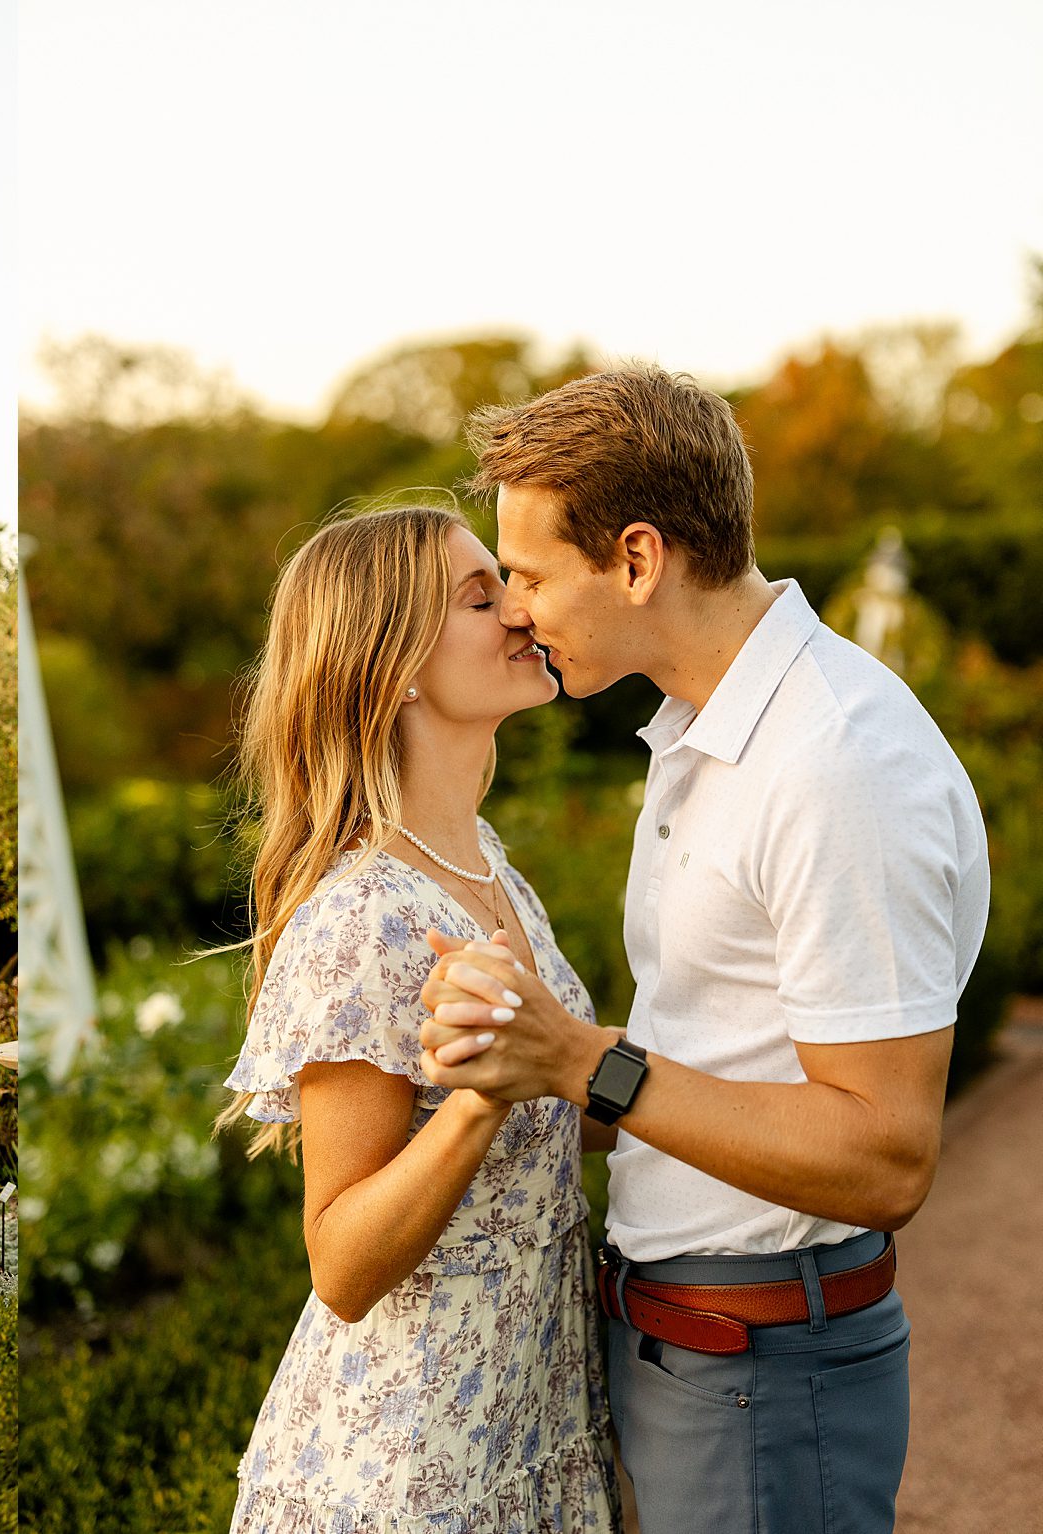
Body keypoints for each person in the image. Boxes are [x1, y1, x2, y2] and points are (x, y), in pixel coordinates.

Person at [418, 365, 990, 1534]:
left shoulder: (831, 762)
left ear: (635, 559)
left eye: (524, 574)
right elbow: (718, 1053)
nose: (514, 608)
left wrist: (582, 1061)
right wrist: (508, 1069)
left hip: (760, 1373)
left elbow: (884, 1154)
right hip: (695, 1356)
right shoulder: (705, 730)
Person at [219, 504, 619, 1532]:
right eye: (479, 597)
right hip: (405, 1466)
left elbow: (555, 1094)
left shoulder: (485, 863)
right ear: (391, 664)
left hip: (528, 1422)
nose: (520, 614)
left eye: (511, 584)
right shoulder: (361, 918)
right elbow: (341, 1263)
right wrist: (478, 1099)